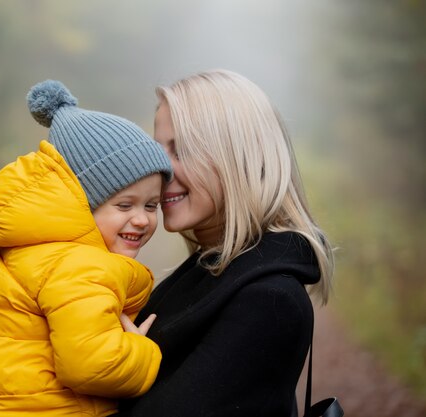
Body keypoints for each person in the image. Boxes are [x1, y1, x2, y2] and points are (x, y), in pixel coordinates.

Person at [0, 80, 173, 416]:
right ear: (83, 204)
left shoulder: (38, 250)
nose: (141, 219)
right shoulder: (78, 265)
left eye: (151, 206)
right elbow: (93, 364)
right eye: (125, 206)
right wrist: (142, 351)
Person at [115, 69, 335, 417]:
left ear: (237, 157)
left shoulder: (269, 301)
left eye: (181, 150)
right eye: (158, 152)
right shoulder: (209, 270)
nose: (161, 171)